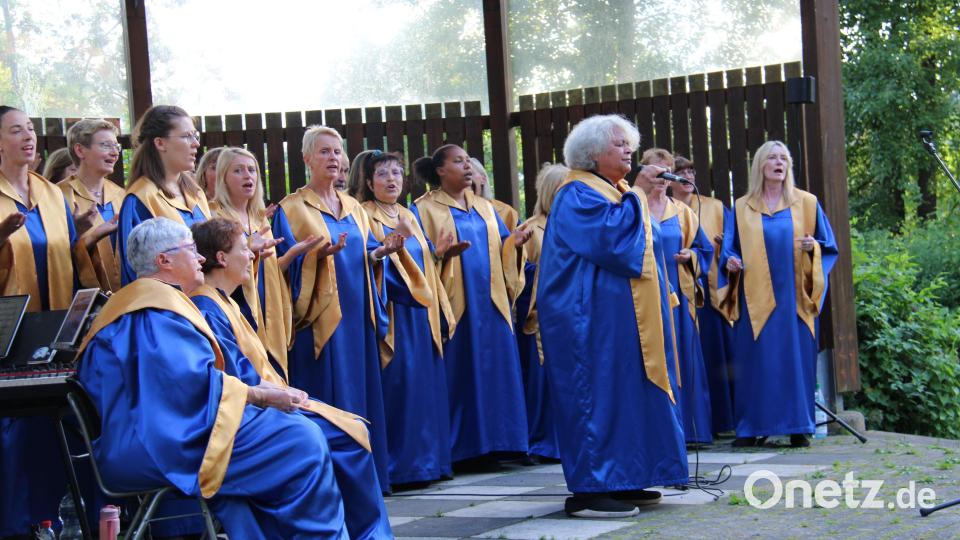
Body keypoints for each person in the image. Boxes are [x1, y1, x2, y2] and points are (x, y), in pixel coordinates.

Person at [77, 217, 349, 538]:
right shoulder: (155, 313)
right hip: (165, 445)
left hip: (152, 435)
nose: (201, 258)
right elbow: (192, 385)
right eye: (192, 251)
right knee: (301, 439)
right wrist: (262, 395)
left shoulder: (128, 307)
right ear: (163, 261)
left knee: (293, 435)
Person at [190, 218, 393, 538]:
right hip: (250, 416)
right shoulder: (207, 305)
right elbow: (234, 374)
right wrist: (276, 395)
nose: (251, 256)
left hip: (265, 400)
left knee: (352, 430)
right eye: (244, 249)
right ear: (222, 258)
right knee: (346, 439)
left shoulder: (224, 300)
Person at [537, 114, 687, 517]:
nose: (629, 150)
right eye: (619, 143)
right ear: (592, 153)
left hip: (616, 321)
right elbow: (614, 243)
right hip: (584, 322)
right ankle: (590, 491)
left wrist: (639, 194)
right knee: (594, 397)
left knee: (623, 394)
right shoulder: (576, 193)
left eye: (629, 144)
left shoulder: (611, 189)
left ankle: (624, 478)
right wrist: (639, 193)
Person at [0, 105, 114, 538]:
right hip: (11, 333)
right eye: (16, 130)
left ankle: (47, 517)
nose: (28, 137)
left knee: (51, 431)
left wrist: (86, 237)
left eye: (30, 129)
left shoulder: (50, 194)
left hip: (54, 332)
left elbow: (71, 259)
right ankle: (13, 525)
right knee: (14, 432)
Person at [273, 126, 402, 493]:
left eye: (337, 152)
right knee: (329, 396)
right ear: (307, 159)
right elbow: (282, 267)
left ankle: (367, 480)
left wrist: (381, 254)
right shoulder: (292, 209)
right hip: (320, 320)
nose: (333, 158)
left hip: (358, 317)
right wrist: (316, 260)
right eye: (324, 151)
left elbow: (365, 255)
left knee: (359, 393)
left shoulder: (355, 207)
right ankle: (330, 483)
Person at [412, 144, 530, 468]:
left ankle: (502, 442)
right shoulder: (424, 209)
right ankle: (464, 447)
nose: (467, 167)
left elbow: (504, 244)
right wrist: (438, 255)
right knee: (462, 369)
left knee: (497, 371)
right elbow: (417, 253)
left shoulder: (485, 207)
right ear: (439, 170)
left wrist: (515, 244)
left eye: (468, 162)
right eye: (457, 162)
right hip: (456, 303)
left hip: (492, 301)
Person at [719, 141, 838, 448]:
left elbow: (828, 247)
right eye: (772, 157)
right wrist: (729, 261)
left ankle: (798, 426)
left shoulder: (807, 203)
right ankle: (752, 428)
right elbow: (729, 249)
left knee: (794, 362)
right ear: (760, 164)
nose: (779, 162)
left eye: (784, 158)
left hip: (795, 298)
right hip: (754, 298)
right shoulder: (742, 207)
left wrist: (814, 249)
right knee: (756, 362)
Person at [355, 150, 457, 488]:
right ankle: (401, 467)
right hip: (393, 316)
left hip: (421, 317)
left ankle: (431, 463)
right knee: (401, 388)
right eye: (382, 174)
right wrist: (383, 250)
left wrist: (439, 254)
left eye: (396, 173)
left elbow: (423, 264)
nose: (391, 180)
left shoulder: (408, 214)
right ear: (369, 182)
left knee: (425, 389)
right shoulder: (365, 214)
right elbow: (366, 259)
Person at [630, 148, 714, 446]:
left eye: (668, 172)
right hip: (643, 297)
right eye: (657, 171)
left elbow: (705, 251)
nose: (663, 178)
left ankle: (691, 429)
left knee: (684, 358)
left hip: (678, 298)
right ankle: (657, 430)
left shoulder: (683, 212)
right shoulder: (631, 205)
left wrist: (691, 255)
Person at [210, 147, 298, 376]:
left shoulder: (259, 217)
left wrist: (292, 256)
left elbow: (273, 268)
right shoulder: (214, 215)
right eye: (238, 170)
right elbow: (212, 264)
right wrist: (249, 248)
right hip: (239, 304)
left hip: (269, 302)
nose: (248, 176)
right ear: (223, 178)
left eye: (252, 170)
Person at [672, 155, 737, 435]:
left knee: (717, 359)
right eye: (681, 172)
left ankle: (723, 421)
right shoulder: (663, 209)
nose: (688, 176)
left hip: (712, 294)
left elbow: (736, 244)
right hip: (681, 293)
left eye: (691, 170)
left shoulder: (715, 208)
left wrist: (726, 253)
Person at [117, 105, 210, 285]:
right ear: (160, 143)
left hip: (206, 299)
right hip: (170, 304)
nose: (196, 143)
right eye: (185, 136)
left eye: (195, 135)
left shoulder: (195, 193)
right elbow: (136, 269)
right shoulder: (140, 199)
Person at [515, 162, 567, 461]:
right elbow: (516, 274)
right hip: (540, 318)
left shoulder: (576, 224)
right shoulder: (532, 228)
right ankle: (546, 440)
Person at [60, 118, 125, 292]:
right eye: (105, 145)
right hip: (81, 295)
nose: (114, 153)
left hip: (125, 295)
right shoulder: (59, 196)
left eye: (116, 147)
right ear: (80, 150)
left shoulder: (122, 195)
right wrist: (87, 236)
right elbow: (52, 258)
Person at [469, 156, 518, 231]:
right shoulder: (448, 214)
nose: (466, 179)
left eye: (469, 173)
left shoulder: (506, 212)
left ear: (483, 179)